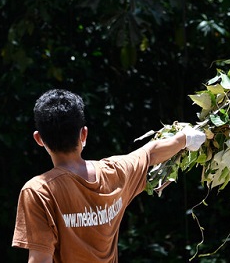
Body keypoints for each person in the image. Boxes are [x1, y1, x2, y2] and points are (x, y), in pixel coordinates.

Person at [12, 89, 205, 263]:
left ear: (39, 139)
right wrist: (185, 138)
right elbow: (150, 153)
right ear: (84, 134)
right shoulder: (114, 173)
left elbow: (40, 259)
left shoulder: (39, 191)